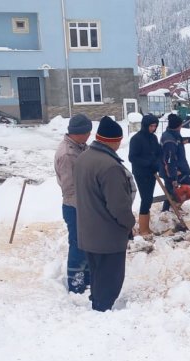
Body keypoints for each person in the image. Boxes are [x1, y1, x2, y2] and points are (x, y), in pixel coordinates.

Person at [74, 116, 136, 312]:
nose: (119, 145)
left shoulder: (84, 158)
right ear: (112, 141)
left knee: (98, 272)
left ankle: (98, 302)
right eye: (119, 141)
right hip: (107, 235)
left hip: (88, 229)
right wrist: (129, 223)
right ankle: (102, 309)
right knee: (111, 276)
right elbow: (119, 206)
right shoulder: (110, 167)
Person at [54, 114, 93, 294]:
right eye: (87, 132)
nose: (89, 135)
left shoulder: (80, 147)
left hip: (83, 205)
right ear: (79, 133)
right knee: (78, 244)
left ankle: (86, 278)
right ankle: (75, 282)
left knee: (85, 242)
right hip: (75, 206)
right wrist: (86, 206)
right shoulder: (68, 154)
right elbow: (69, 188)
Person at [128, 114, 161, 235]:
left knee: (149, 199)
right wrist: (148, 163)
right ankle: (143, 229)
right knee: (146, 199)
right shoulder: (136, 139)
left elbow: (158, 152)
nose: (153, 128)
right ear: (145, 125)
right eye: (151, 126)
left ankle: (146, 227)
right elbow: (132, 157)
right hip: (141, 173)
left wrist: (157, 163)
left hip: (152, 172)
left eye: (155, 126)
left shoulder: (153, 138)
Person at [159, 113, 190, 212]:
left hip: (175, 169)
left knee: (171, 193)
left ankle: (169, 209)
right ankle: (171, 208)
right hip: (172, 171)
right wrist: (174, 178)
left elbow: (180, 140)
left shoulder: (172, 134)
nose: (182, 126)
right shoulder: (169, 141)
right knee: (189, 186)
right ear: (178, 126)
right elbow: (169, 161)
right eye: (181, 125)